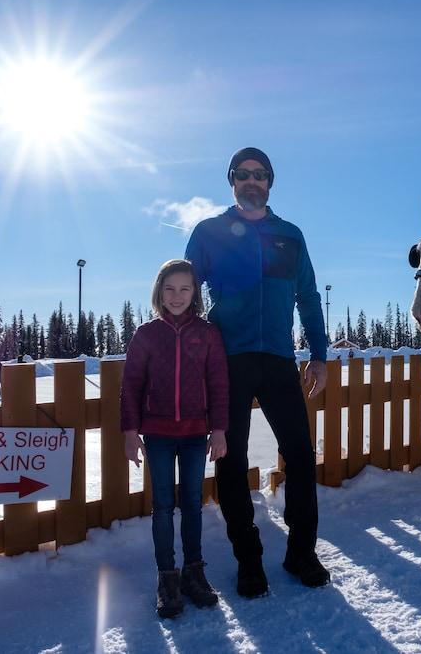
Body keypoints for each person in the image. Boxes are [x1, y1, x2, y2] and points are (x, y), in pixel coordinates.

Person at [185, 146, 330, 598]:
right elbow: (186, 294)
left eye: (260, 175)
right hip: (228, 361)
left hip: (279, 360)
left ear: (270, 182)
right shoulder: (209, 232)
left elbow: (307, 296)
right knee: (231, 462)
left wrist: (319, 353)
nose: (252, 181)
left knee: (302, 458)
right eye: (243, 174)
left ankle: (301, 552)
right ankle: (249, 561)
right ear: (231, 180)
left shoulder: (290, 235)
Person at [121, 259, 230, 619]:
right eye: (170, 288)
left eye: (185, 288)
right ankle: (167, 577)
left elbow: (217, 383)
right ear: (159, 292)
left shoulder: (208, 333)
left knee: (193, 504)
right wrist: (130, 432)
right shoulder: (147, 334)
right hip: (159, 435)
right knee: (164, 506)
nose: (177, 296)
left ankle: (193, 572)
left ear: (195, 292)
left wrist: (218, 429)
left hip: (197, 434)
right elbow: (132, 385)